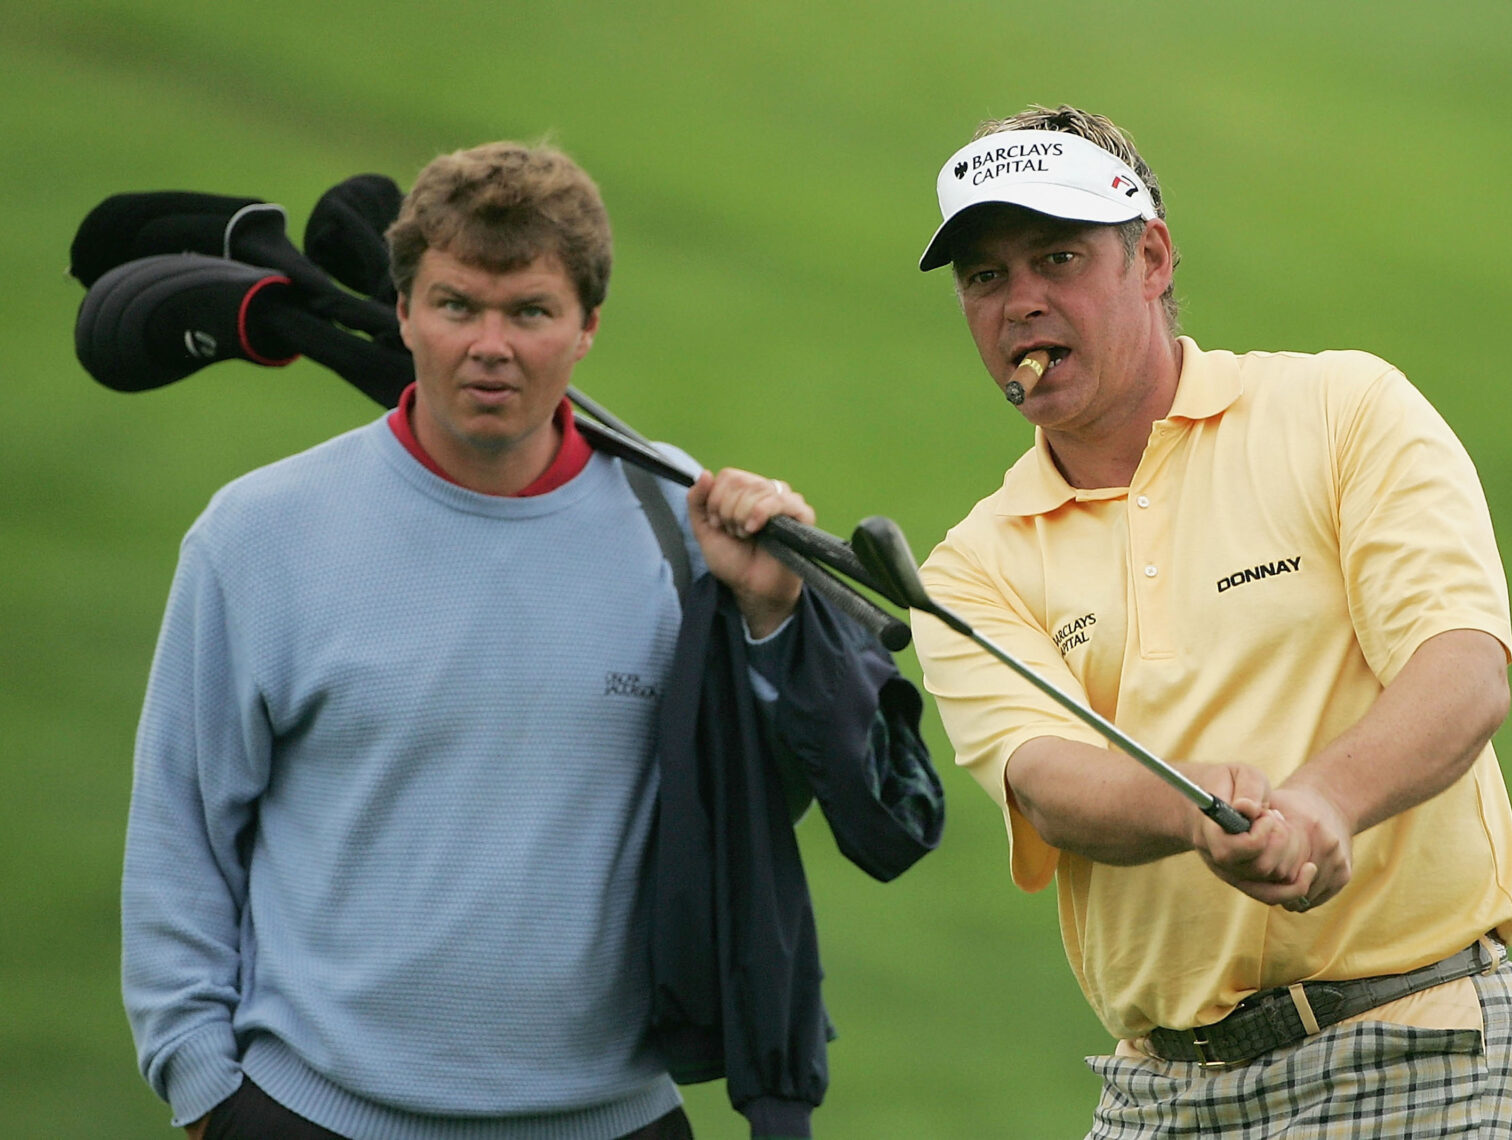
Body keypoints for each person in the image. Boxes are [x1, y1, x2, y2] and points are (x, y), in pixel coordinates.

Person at [120, 140, 935, 1140]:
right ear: (406, 309)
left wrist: (771, 611)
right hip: (315, 1114)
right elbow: (180, 835)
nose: (490, 345)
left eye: (530, 313)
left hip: (616, 1119)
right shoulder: (257, 536)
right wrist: (203, 1090)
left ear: (587, 326)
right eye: (457, 306)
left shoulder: (681, 524)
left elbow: (791, 800)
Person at [908, 103, 1512, 1135]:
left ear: (1152, 257)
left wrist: (1323, 807)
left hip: (1414, 1049)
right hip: (1158, 1093)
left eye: (1058, 257)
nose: (1020, 304)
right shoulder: (970, 565)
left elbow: (1462, 665)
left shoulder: (1343, 411)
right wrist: (1189, 811)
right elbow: (1046, 781)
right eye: (986, 277)